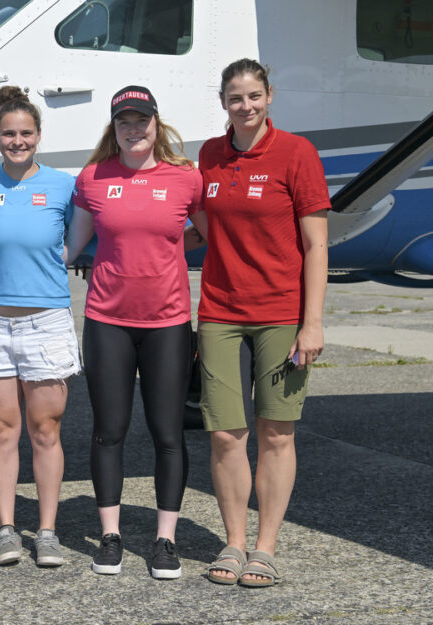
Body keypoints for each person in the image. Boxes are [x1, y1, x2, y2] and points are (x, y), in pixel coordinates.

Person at [194, 59, 329, 587]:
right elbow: (202, 225)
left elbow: (317, 244)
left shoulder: (297, 153)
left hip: (281, 314)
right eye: (235, 98)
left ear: (269, 95)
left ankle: (265, 547)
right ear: (223, 102)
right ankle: (232, 542)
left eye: (254, 96)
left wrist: (311, 323)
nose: (245, 107)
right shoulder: (209, 154)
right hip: (220, 314)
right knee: (225, 433)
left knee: (276, 432)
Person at [64, 86, 202, 579]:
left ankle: (165, 541)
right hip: (107, 321)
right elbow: (70, 247)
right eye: (125, 121)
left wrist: (164, 247)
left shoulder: (186, 178)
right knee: (109, 430)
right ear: (113, 128)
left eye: (142, 120)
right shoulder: (94, 177)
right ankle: (110, 535)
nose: (134, 128)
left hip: (167, 323)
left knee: (168, 434)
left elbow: (205, 232)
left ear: (156, 123)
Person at [0, 86, 79, 567]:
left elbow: (76, 242)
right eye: (9, 133)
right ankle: (7, 529)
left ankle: (48, 532)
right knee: (1, 431)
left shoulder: (62, 186)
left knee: (46, 430)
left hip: (47, 321)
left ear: (39, 135)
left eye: (26, 133)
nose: (18, 141)